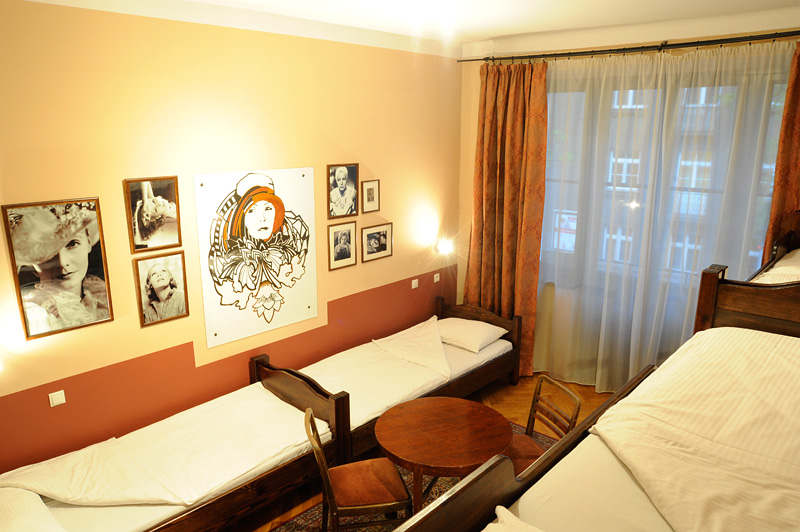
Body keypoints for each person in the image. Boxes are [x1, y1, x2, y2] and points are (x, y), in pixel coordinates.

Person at [8, 202, 111, 336]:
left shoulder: (102, 296)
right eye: (47, 252)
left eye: (72, 244)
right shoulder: (34, 315)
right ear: (30, 260)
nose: (62, 262)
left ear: (88, 242)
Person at [132, 181, 178, 248]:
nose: (159, 204)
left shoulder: (153, 199)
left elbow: (145, 179)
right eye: (155, 210)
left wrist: (145, 199)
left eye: (154, 201)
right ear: (157, 217)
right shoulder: (173, 216)